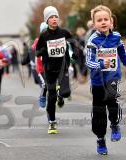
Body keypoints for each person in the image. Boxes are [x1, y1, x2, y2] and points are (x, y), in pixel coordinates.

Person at [86, 5, 126, 155]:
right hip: (98, 81)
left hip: (113, 78)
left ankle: (115, 124)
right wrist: (99, 64)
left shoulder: (116, 37)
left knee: (113, 103)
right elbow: (88, 62)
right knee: (99, 112)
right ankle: (100, 139)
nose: (103, 22)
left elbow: (121, 50)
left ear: (111, 21)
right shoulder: (93, 41)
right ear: (94, 24)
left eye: (106, 19)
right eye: (99, 20)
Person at [36, 6, 77, 134]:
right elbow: (37, 52)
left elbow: (73, 44)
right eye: (51, 17)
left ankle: (62, 94)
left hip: (63, 66)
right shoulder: (44, 36)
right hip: (49, 69)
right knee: (51, 96)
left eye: (56, 17)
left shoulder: (64, 33)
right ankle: (52, 123)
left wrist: (74, 54)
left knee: (66, 93)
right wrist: (45, 50)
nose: (54, 19)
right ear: (47, 21)